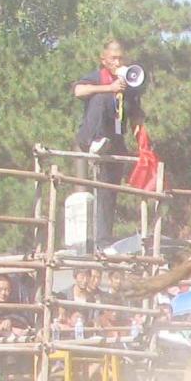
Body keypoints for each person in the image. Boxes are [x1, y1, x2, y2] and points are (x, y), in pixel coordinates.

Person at [71, 38, 144, 252]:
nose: (117, 62)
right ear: (104, 60)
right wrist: (108, 87)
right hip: (91, 136)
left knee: (108, 192)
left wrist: (143, 143)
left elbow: (136, 116)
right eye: (113, 58)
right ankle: (94, 140)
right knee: (101, 96)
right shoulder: (97, 77)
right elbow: (78, 91)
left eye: (121, 58)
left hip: (114, 140)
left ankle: (103, 239)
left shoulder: (128, 83)